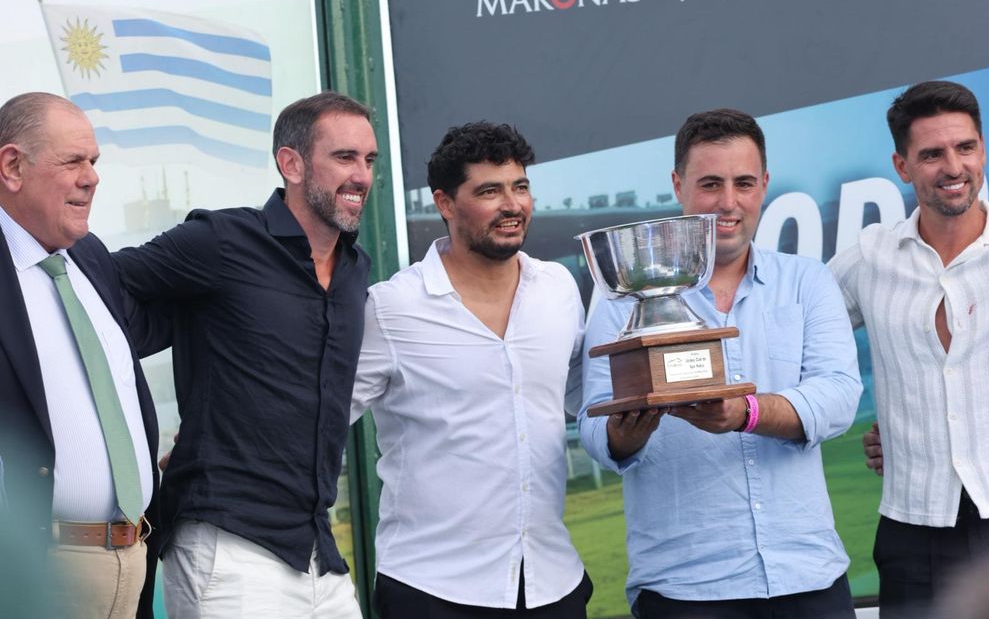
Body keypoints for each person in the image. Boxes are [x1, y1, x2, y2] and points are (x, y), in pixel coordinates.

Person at [580, 109, 862, 618]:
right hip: (686, 589)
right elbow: (597, 429)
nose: (728, 203)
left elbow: (839, 393)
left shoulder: (806, 281)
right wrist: (630, 427)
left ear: (764, 185)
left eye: (744, 183)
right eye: (710, 183)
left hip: (808, 576)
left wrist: (747, 413)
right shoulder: (621, 302)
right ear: (678, 185)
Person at [114, 91, 377, 618]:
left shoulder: (355, 270)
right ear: (291, 164)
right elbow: (106, 286)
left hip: (316, 550)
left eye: (369, 161)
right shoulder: (223, 240)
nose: (362, 176)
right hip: (228, 548)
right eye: (345, 157)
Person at [351, 121, 592, 617]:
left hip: (552, 583)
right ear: (445, 204)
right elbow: (320, 416)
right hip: (433, 589)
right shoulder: (392, 308)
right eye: (489, 191)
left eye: (520, 187)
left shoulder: (559, 289)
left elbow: (586, 395)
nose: (513, 205)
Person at [829, 80, 989, 618]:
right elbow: (796, 340)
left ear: (983, 150)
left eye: (965, 147)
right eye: (932, 154)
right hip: (913, 527)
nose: (953, 167)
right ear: (902, 166)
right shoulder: (867, 260)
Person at [0, 92, 162, 618]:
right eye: (73, 162)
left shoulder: (91, 258)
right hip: (38, 573)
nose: (92, 178)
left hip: (132, 560)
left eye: (94, 162)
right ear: (11, 166)